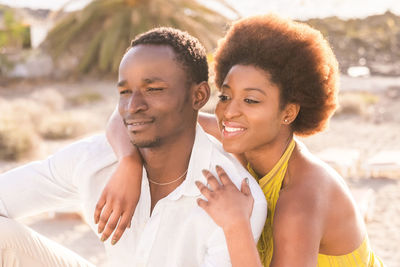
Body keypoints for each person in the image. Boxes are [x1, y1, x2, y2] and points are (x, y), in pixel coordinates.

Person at [97, 15, 384, 266]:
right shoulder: (243, 140)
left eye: (251, 100)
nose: (228, 112)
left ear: (288, 113)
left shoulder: (302, 197)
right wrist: (128, 162)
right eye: (225, 96)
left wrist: (235, 224)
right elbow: (130, 116)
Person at [0, 27, 268, 267]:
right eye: (125, 92)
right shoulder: (97, 160)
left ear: (198, 96)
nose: (133, 106)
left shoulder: (235, 198)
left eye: (153, 90)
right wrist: (129, 161)